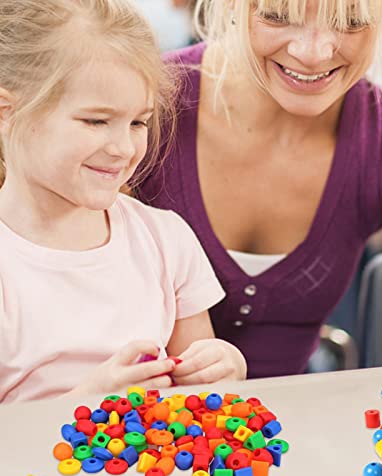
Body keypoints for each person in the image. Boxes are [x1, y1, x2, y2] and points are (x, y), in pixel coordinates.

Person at [134, 0, 382, 379]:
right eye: (277, 16)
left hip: (289, 432)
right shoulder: (141, 107)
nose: (312, 53)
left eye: (350, 23)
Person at [0, 0, 246, 404]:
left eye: (138, 123)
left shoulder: (166, 240)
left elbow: (200, 397)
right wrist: (87, 402)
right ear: (7, 112)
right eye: (96, 121)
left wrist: (222, 366)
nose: (123, 148)